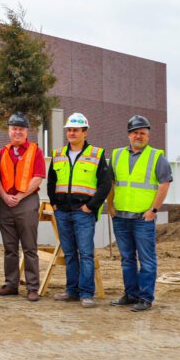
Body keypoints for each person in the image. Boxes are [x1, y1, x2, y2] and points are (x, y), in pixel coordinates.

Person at [107, 115, 172, 312]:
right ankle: (131, 294)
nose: (139, 136)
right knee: (126, 259)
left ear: (148, 135)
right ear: (129, 135)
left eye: (143, 133)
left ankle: (145, 298)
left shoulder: (157, 157)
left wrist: (153, 210)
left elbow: (164, 184)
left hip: (143, 219)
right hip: (121, 217)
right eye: (135, 132)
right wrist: (110, 206)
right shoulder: (117, 155)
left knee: (146, 260)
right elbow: (111, 183)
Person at [48, 112, 112, 308]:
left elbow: (105, 184)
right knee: (69, 253)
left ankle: (86, 293)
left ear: (85, 132)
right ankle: (71, 290)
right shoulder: (58, 154)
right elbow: (51, 181)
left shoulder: (96, 154)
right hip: (63, 211)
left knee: (85, 253)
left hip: (83, 212)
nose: (72, 133)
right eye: (69, 130)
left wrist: (90, 206)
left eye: (76, 130)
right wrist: (54, 202)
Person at [0, 112, 46, 302]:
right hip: (6, 202)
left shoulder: (35, 151)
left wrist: (20, 196)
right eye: (14, 128)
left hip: (27, 201)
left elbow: (38, 176)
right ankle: (11, 284)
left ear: (27, 131)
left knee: (30, 248)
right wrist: (5, 196)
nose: (17, 132)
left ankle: (32, 287)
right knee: (10, 248)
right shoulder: (2, 152)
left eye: (21, 129)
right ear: (8, 130)